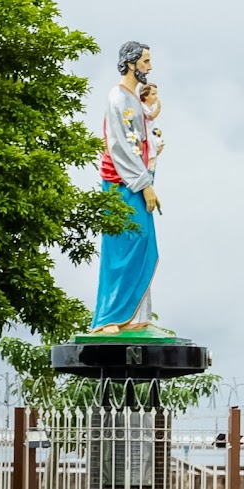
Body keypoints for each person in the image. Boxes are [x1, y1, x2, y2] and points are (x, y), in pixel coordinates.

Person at [91, 41, 161, 334]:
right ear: (131, 63)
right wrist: (144, 185)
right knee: (124, 245)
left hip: (137, 178)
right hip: (124, 182)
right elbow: (120, 145)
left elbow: (142, 135)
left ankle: (136, 317)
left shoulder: (133, 97)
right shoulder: (117, 98)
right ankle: (109, 316)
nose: (149, 66)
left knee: (143, 244)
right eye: (145, 61)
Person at [138, 82, 165, 181]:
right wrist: (158, 108)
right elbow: (150, 117)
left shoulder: (149, 107)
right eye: (153, 94)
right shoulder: (142, 107)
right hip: (146, 132)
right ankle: (151, 160)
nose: (155, 97)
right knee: (152, 142)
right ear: (145, 96)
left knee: (156, 142)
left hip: (151, 130)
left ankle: (152, 159)